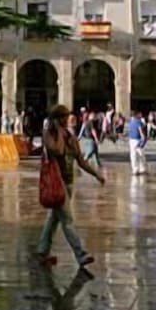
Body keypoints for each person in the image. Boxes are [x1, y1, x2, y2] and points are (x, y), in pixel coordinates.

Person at [36, 105, 104, 268]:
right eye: (64, 117)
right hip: (55, 183)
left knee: (54, 218)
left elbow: (80, 160)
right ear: (57, 119)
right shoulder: (48, 135)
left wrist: (96, 174)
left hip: (68, 182)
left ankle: (42, 251)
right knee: (67, 219)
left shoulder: (71, 138)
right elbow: (57, 151)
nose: (68, 120)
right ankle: (80, 254)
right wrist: (58, 131)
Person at [127, 111, 148, 176]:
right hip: (137, 140)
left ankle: (135, 170)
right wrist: (143, 139)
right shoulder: (138, 122)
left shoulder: (131, 122)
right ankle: (142, 169)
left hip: (132, 140)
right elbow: (141, 130)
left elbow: (130, 131)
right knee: (141, 155)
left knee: (133, 156)